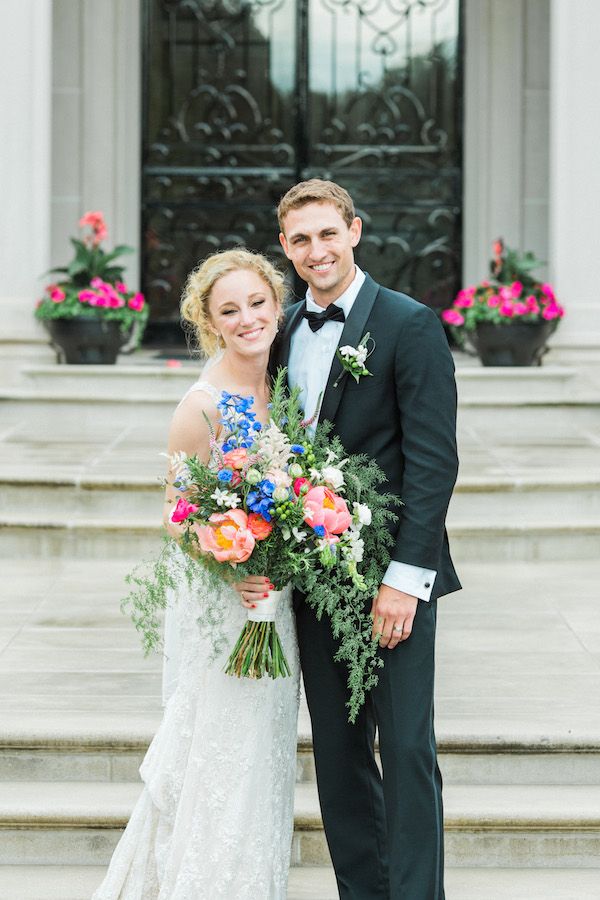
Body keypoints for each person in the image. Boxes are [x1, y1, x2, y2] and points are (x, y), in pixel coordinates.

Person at [269, 179, 461, 899]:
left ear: (354, 231)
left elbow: (435, 460)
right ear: (285, 248)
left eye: (327, 234)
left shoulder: (410, 324)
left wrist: (405, 578)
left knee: (407, 747)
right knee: (339, 752)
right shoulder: (282, 328)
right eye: (299, 240)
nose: (315, 251)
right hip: (315, 574)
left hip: (393, 575)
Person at [92, 249, 300, 900]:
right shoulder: (201, 406)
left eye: (257, 303)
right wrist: (231, 555)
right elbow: (176, 512)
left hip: (275, 601)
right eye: (229, 310)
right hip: (225, 601)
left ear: (277, 301)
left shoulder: (291, 381)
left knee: (263, 752)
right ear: (210, 323)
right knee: (220, 750)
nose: (247, 319)